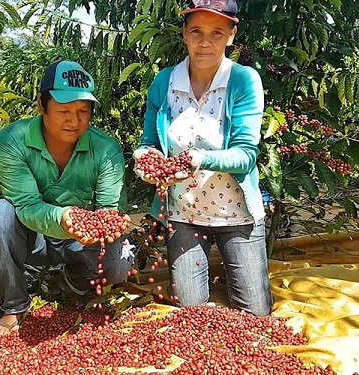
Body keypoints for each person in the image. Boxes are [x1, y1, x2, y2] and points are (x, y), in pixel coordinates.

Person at [133, 0, 272, 316]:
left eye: (217, 32)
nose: (205, 42)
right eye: (196, 31)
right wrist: (145, 160)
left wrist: (197, 159)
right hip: (184, 215)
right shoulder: (165, 82)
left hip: (236, 215)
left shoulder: (243, 81)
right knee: (190, 313)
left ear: (231, 35)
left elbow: (246, 155)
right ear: (184, 33)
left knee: (256, 314)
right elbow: (150, 143)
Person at [0, 60, 134, 336]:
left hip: (79, 242)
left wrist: (110, 223)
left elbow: (108, 210)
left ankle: (73, 280)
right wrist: (64, 218)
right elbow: (26, 205)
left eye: (82, 112)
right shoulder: (11, 141)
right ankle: (15, 304)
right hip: (35, 237)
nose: (74, 121)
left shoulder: (106, 148)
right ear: (42, 104)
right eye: (63, 110)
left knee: (119, 261)